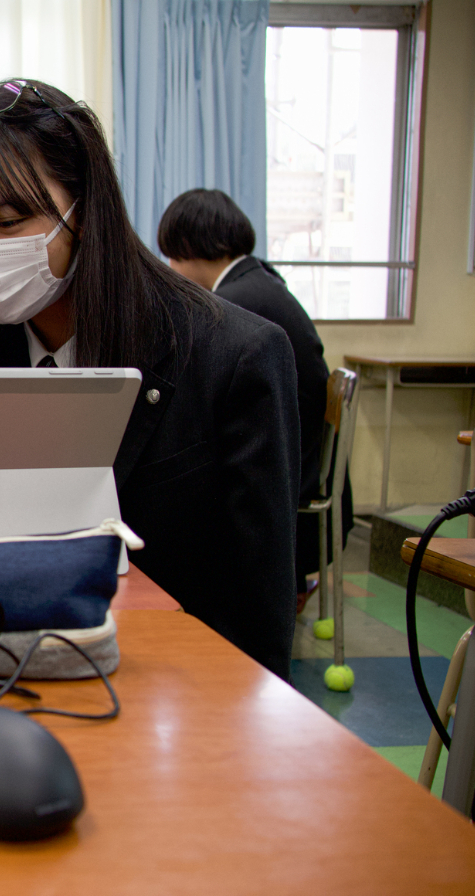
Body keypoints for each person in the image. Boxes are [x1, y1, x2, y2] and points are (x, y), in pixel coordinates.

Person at [0, 79, 301, 679]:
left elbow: (259, 620)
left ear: (86, 208)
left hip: (171, 693)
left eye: (10, 220)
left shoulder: (233, 357)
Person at [158, 188, 351, 609]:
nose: (170, 270)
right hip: (304, 456)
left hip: (289, 471)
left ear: (196, 246)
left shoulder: (234, 307)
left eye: (173, 256)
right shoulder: (262, 282)